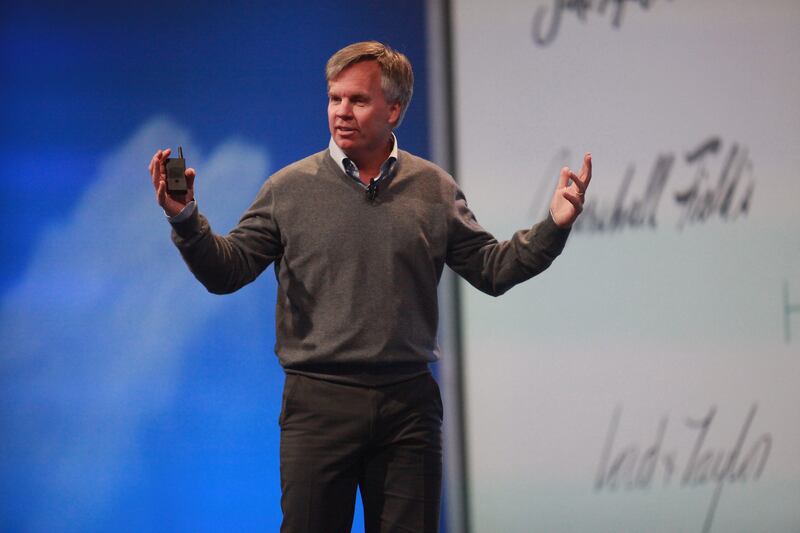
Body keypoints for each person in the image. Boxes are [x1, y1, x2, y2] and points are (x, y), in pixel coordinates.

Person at [148, 41, 591, 533]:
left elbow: (493, 269)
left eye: (358, 100)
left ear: (393, 110)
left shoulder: (434, 189)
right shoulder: (287, 189)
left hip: (408, 410)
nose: (342, 111)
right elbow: (226, 271)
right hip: (319, 405)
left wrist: (554, 225)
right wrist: (186, 219)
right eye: (334, 98)